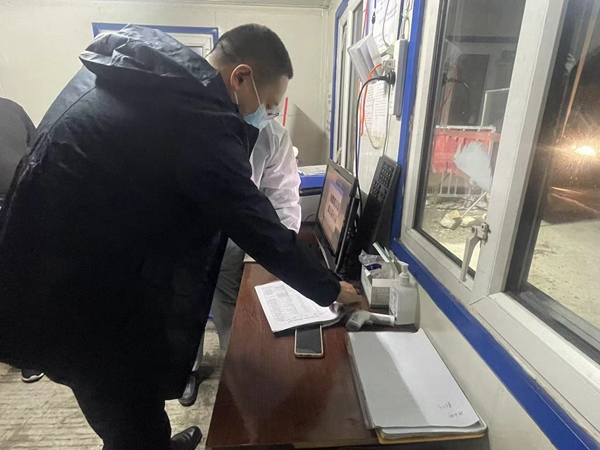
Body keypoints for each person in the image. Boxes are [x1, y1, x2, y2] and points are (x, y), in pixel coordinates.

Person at [0, 24, 364, 450]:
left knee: (131, 397)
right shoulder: (195, 114)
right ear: (241, 77)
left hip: (69, 266)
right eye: (267, 105)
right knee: (126, 413)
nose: (265, 117)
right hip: (71, 294)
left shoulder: (142, 76)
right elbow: (252, 219)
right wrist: (329, 288)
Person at [179, 119, 301, 407]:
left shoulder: (272, 134)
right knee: (185, 303)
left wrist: (279, 254)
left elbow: (283, 198)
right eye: (270, 99)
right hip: (187, 230)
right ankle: (186, 370)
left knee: (230, 306)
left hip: (237, 233)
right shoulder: (194, 117)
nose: (272, 107)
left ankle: (234, 367)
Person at [0, 97, 45, 384]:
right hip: (18, 200)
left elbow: (38, 146)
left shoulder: (11, 108)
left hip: (18, 200)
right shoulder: (11, 107)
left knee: (20, 281)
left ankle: (28, 356)